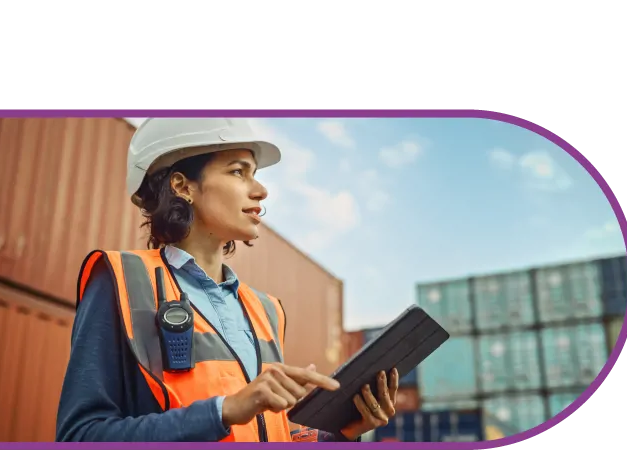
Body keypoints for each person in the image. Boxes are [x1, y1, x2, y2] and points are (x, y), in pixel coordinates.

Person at [55, 118, 401, 442]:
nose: (261, 190)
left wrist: (342, 432)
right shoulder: (122, 280)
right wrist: (225, 410)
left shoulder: (267, 311)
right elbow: (81, 435)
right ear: (182, 186)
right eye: (239, 172)